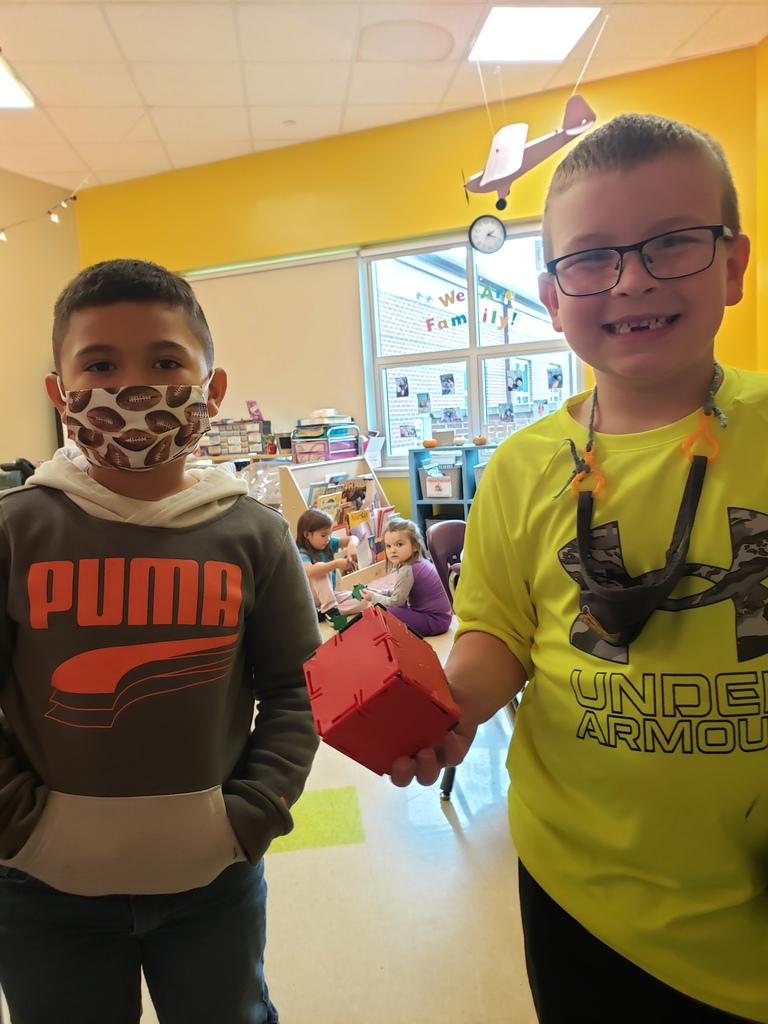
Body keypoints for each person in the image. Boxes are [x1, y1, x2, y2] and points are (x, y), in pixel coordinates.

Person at [390, 113, 768, 1024]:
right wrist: (450, 708)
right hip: (583, 887)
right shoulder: (521, 468)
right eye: (592, 258)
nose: (631, 277)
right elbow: (498, 634)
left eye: (671, 242)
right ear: (553, 297)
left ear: (732, 264)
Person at [0, 258, 322, 1024]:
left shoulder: (256, 534)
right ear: (61, 391)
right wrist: (15, 821)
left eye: (165, 361)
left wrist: (251, 814)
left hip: (212, 887)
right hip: (40, 893)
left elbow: (296, 688)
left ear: (210, 389)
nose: (134, 386)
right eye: (101, 364)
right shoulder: (16, 531)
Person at [361, 517, 452, 636]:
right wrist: (380, 592)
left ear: (415, 546)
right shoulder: (420, 561)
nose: (392, 550)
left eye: (399, 544)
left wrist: (373, 597)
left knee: (385, 611)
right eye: (388, 546)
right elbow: (401, 592)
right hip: (443, 618)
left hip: (434, 622)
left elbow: (396, 603)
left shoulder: (407, 570)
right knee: (388, 607)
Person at [295, 507, 363, 622]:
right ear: (307, 534)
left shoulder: (328, 543)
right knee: (319, 568)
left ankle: (324, 612)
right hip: (312, 600)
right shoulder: (302, 553)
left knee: (364, 599)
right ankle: (329, 608)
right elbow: (310, 571)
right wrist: (335, 564)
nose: (327, 539)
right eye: (323, 535)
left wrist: (351, 545)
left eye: (330, 534)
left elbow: (353, 538)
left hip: (328, 596)